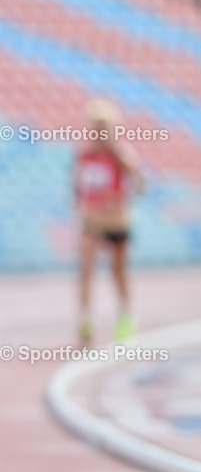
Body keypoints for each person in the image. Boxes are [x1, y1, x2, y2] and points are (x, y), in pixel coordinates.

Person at [74, 98, 144, 344]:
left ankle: (125, 316)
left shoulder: (122, 154)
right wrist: (80, 208)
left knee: (118, 272)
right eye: (96, 126)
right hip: (93, 219)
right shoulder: (85, 155)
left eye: (104, 126)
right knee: (86, 270)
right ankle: (85, 320)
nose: (99, 132)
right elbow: (77, 187)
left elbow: (141, 186)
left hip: (117, 221)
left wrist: (128, 168)